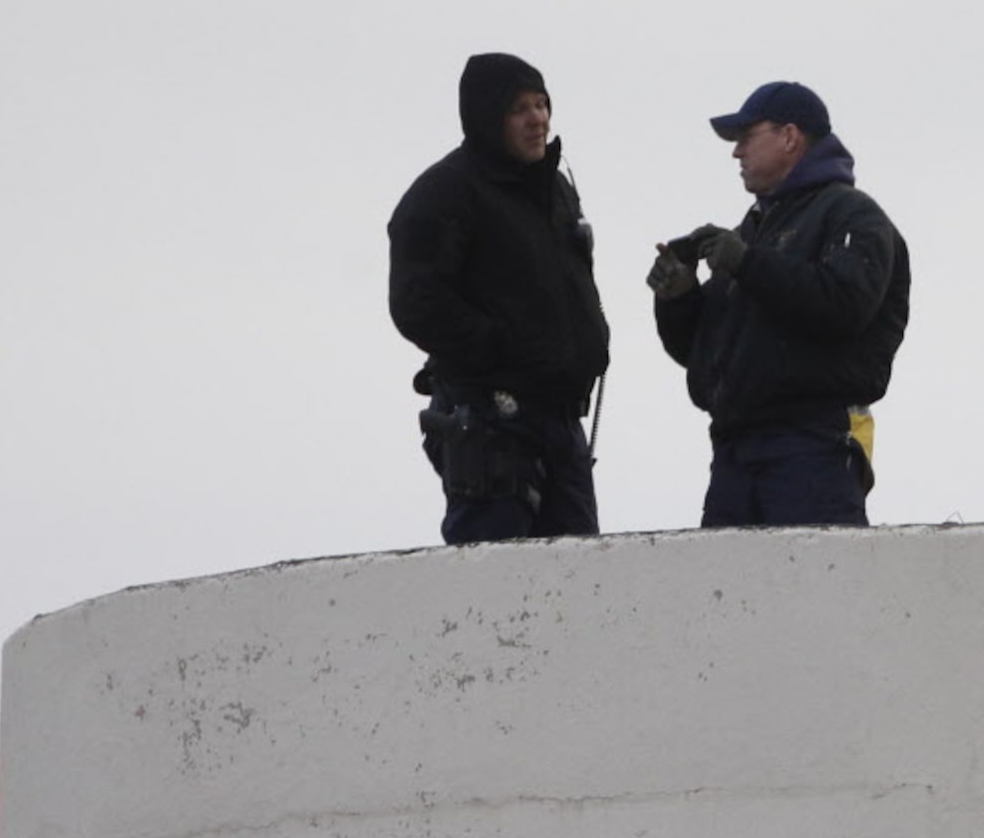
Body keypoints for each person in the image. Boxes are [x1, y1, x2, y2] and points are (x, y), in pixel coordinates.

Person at [649, 81, 909, 529]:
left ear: (790, 137)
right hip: (735, 454)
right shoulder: (753, 232)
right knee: (728, 596)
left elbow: (843, 306)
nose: (737, 153)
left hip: (814, 448)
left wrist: (747, 263)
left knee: (814, 592)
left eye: (747, 137)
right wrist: (678, 297)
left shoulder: (852, 215)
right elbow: (705, 352)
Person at [389, 53, 611, 545]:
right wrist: (500, 348)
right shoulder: (444, 193)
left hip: (561, 423)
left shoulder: (554, 190)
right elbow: (415, 302)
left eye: (542, 104)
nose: (538, 120)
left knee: (582, 586)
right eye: (520, 110)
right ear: (488, 119)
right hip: (492, 428)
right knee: (493, 585)